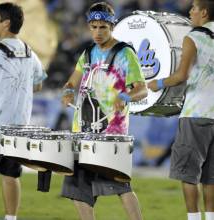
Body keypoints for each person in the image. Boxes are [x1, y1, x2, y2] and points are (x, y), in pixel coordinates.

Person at [61, 2, 147, 220]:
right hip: (82, 128)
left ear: (112, 26)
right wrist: (67, 91)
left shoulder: (124, 53)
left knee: (121, 186)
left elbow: (142, 90)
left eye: (103, 28)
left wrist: (124, 96)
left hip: (111, 131)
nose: (97, 32)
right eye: (94, 27)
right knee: (77, 189)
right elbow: (72, 81)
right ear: (89, 26)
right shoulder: (88, 53)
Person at [148, 1, 214, 220]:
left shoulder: (193, 37)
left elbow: (181, 76)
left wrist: (157, 84)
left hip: (196, 114)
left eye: (194, 8)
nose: (190, 12)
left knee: (189, 174)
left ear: (204, 12)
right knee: (211, 177)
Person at [0, 3, 47, 220]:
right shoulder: (29, 51)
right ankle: (10, 219)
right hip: (17, 127)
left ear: (6, 23)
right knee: (10, 175)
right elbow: (39, 84)